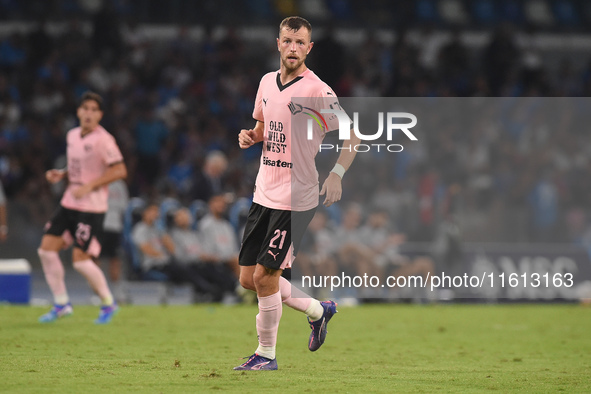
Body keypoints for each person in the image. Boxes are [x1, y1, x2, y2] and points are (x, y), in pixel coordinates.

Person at [234, 16, 359, 371]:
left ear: (309, 47)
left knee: (265, 278)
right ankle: (320, 311)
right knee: (248, 279)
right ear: (278, 43)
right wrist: (250, 136)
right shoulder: (265, 83)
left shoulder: (318, 91)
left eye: (300, 43)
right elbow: (262, 128)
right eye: (287, 41)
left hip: (296, 199)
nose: (293, 48)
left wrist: (336, 174)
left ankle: (266, 355)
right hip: (264, 192)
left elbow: (353, 136)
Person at [38, 91, 127, 324]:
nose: (88, 113)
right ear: (78, 111)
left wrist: (90, 186)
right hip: (70, 201)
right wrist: (63, 174)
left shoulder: (104, 139)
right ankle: (61, 304)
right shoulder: (72, 136)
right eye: (85, 108)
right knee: (46, 250)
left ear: (100, 115)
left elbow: (119, 170)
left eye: (93, 109)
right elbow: (82, 165)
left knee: (80, 260)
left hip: (91, 207)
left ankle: (108, 304)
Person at [131, 203, 217, 299]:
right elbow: (146, 249)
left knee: (188, 268)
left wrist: (162, 232)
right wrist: (163, 255)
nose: (155, 214)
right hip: (151, 264)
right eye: (152, 211)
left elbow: (172, 249)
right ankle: (205, 289)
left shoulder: (157, 230)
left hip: (165, 262)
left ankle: (204, 290)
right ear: (145, 213)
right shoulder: (140, 229)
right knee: (182, 269)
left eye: (156, 212)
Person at [101, 179, 129, 303]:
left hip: (115, 227)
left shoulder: (119, 184)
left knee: (115, 259)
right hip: (98, 225)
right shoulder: (97, 180)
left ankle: (117, 291)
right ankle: (98, 292)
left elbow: (124, 206)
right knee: (95, 260)